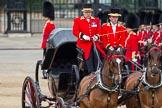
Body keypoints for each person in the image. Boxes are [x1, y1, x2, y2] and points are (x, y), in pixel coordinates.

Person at [72, 4, 106, 74]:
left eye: (89, 12)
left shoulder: (96, 20)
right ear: (83, 12)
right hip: (84, 43)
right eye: (86, 12)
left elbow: (99, 30)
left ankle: (98, 70)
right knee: (89, 55)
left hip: (94, 42)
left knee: (97, 54)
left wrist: (97, 36)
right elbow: (75, 31)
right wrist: (83, 36)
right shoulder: (78, 20)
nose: (88, 14)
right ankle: (90, 72)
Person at [41, 1, 55, 79]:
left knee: (47, 58)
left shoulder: (50, 24)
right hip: (45, 43)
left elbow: (51, 35)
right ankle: (45, 72)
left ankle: (46, 72)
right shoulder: (48, 23)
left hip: (47, 43)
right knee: (44, 57)